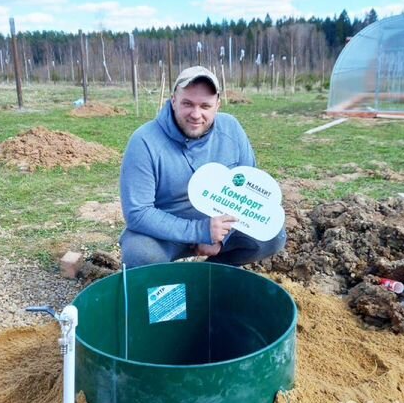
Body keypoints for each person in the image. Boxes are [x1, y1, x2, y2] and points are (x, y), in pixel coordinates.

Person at [119, 66, 286, 268]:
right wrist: (201, 230)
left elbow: (250, 193)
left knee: (273, 236)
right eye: (187, 104)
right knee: (141, 253)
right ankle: (167, 289)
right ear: (173, 101)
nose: (196, 114)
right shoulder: (144, 141)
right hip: (167, 232)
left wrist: (222, 236)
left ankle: (211, 274)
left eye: (205, 106)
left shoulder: (231, 129)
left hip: (220, 228)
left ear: (218, 105)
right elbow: (138, 213)